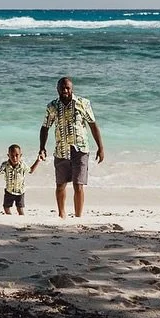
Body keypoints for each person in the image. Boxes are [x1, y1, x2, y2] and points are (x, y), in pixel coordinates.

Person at [37, 75, 105, 218]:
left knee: (78, 185)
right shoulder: (52, 107)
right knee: (60, 185)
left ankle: (78, 217)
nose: (65, 90)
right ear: (57, 89)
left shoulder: (83, 103)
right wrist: (42, 147)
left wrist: (100, 147)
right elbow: (45, 127)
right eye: (62, 88)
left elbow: (93, 125)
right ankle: (62, 215)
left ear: (72, 88)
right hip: (61, 150)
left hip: (80, 149)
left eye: (68, 88)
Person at [0, 143, 43, 215]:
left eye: (17, 155)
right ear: (8, 155)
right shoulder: (5, 165)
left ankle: (22, 221)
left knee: (20, 208)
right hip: (9, 191)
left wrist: (38, 160)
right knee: (6, 207)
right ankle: (10, 218)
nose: (14, 158)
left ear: (21, 155)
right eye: (12, 156)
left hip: (20, 192)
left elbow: (31, 170)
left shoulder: (23, 165)